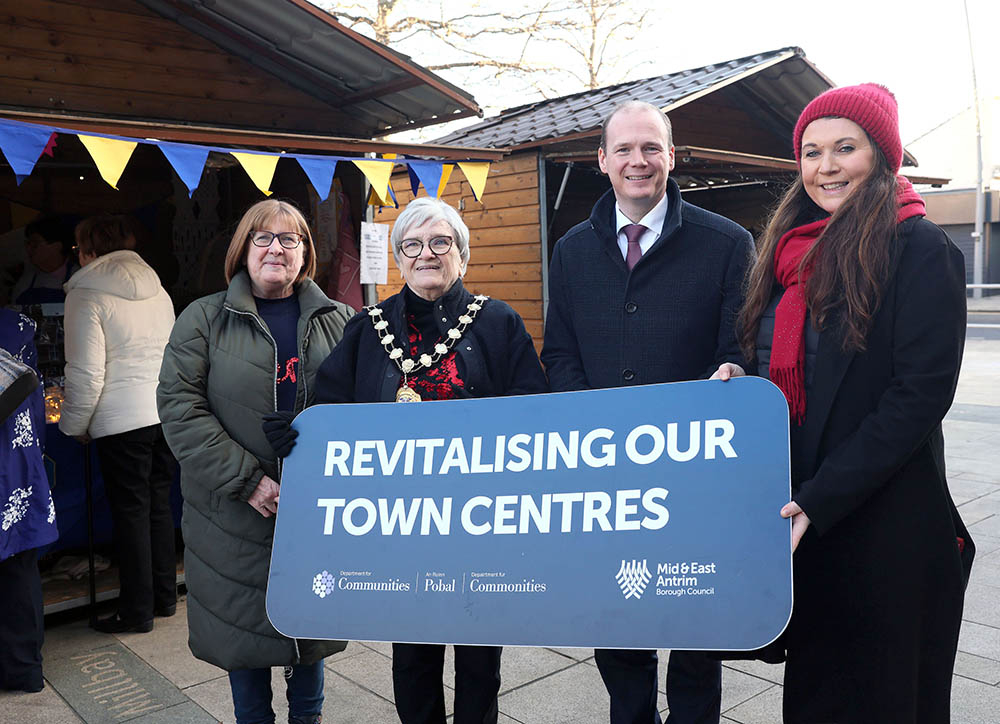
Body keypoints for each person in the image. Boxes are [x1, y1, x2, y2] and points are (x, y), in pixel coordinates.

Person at [735, 83, 973, 723]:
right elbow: (785, 364)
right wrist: (742, 377)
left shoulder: (919, 250)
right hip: (807, 516)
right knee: (816, 696)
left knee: (883, 697)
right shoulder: (789, 250)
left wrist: (822, 497)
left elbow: (918, 397)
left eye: (846, 147)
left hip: (883, 524)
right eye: (812, 152)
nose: (826, 166)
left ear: (882, 155)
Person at [265, 196, 548, 724]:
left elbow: (534, 413)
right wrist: (299, 432)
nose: (426, 254)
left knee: (480, 659)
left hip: (480, 525)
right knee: (412, 658)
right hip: (399, 529)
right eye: (412, 245)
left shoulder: (498, 323)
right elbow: (332, 408)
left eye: (441, 242)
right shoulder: (368, 328)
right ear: (399, 258)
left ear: (461, 253)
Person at [541, 100, 754, 724]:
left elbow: (740, 346)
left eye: (651, 148)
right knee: (618, 620)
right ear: (601, 160)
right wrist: (590, 431)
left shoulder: (726, 243)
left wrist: (738, 372)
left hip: (696, 476)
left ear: (670, 155)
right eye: (625, 150)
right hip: (607, 476)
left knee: (696, 628)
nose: (639, 161)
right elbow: (562, 351)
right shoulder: (573, 249)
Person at [157, 199, 354, 724]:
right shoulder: (202, 319)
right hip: (231, 515)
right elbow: (179, 408)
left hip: (315, 513)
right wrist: (249, 480)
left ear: (305, 253)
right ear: (242, 249)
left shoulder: (341, 320)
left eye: (290, 239)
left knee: (308, 641)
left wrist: (319, 436)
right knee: (243, 641)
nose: (276, 248)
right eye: (262, 237)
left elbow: (363, 404)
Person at [59, 215, 177, 634]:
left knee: (131, 515)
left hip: (121, 419)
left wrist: (73, 425)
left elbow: (86, 374)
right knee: (158, 507)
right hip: (163, 413)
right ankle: (164, 598)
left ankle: (136, 611)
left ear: (87, 249)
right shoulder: (156, 287)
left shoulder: (86, 295)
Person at [0, 309, 58, 692]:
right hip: (20, 455)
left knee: (16, 565)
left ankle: (20, 667)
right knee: (20, 563)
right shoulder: (18, 324)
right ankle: (24, 667)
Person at [12, 216, 77, 305]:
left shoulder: (79, 278)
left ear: (57, 245)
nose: (28, 248)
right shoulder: (25, 282)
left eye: (35, 244)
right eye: (28, 243)